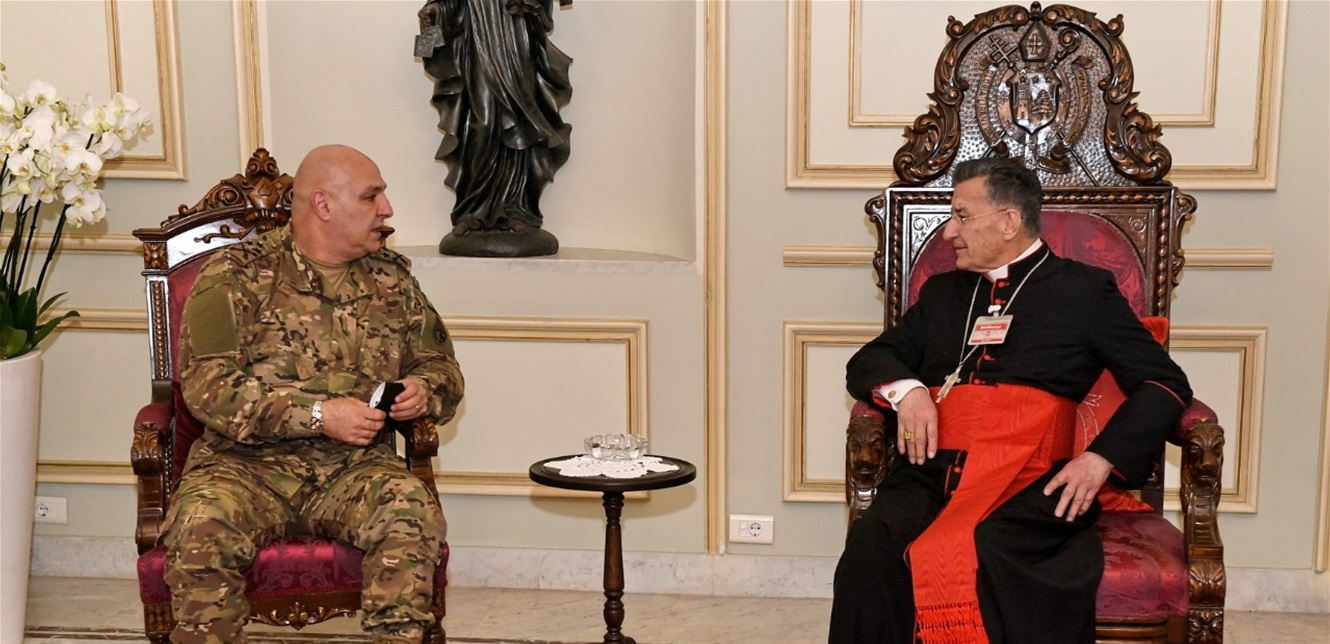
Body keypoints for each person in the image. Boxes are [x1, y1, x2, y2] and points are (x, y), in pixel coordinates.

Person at [828, 157, 1191, 644]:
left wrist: (1100, 459)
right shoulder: (943, 293)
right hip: (933, 473)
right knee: (872, 546)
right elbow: (870, 360)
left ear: (1009, 221)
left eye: (961, 216)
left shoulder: (1084, 291)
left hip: (1031, 477)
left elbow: (1164, 383)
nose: (948, 232)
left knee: (992, 550)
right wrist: (909, 392)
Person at [160, 144, 465, 643]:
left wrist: (423, 391)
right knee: (200, 525)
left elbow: (443, 368)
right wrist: (319, 415)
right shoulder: (235, 274)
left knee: (411, 510)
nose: (386, 209)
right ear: (323, 205)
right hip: (244, 467)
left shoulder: (392, 279)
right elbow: (208, 387)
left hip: (354, 469)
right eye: (371, 197)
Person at [417, 0, 572, 257]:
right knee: (483, 124)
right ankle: (471, 210)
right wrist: (435, 12)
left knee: (520, 125)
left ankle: (516, 209)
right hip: (478, 36)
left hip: (516, 36)